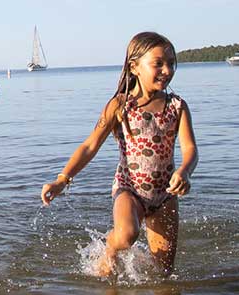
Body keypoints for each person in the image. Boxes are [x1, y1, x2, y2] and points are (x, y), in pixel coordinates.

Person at [40, 32, 199, 277]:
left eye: (171, 63)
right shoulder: (120, 105)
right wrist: (63, 179)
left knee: (164, 273)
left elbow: (190, 148)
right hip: (129, 189)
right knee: (125, 236)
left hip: (165, 195)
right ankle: (110, 250)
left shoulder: (177, 106)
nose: (167, 70)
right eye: (158, 63)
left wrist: (184, 171)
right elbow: (90, 145)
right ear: (134, 67)